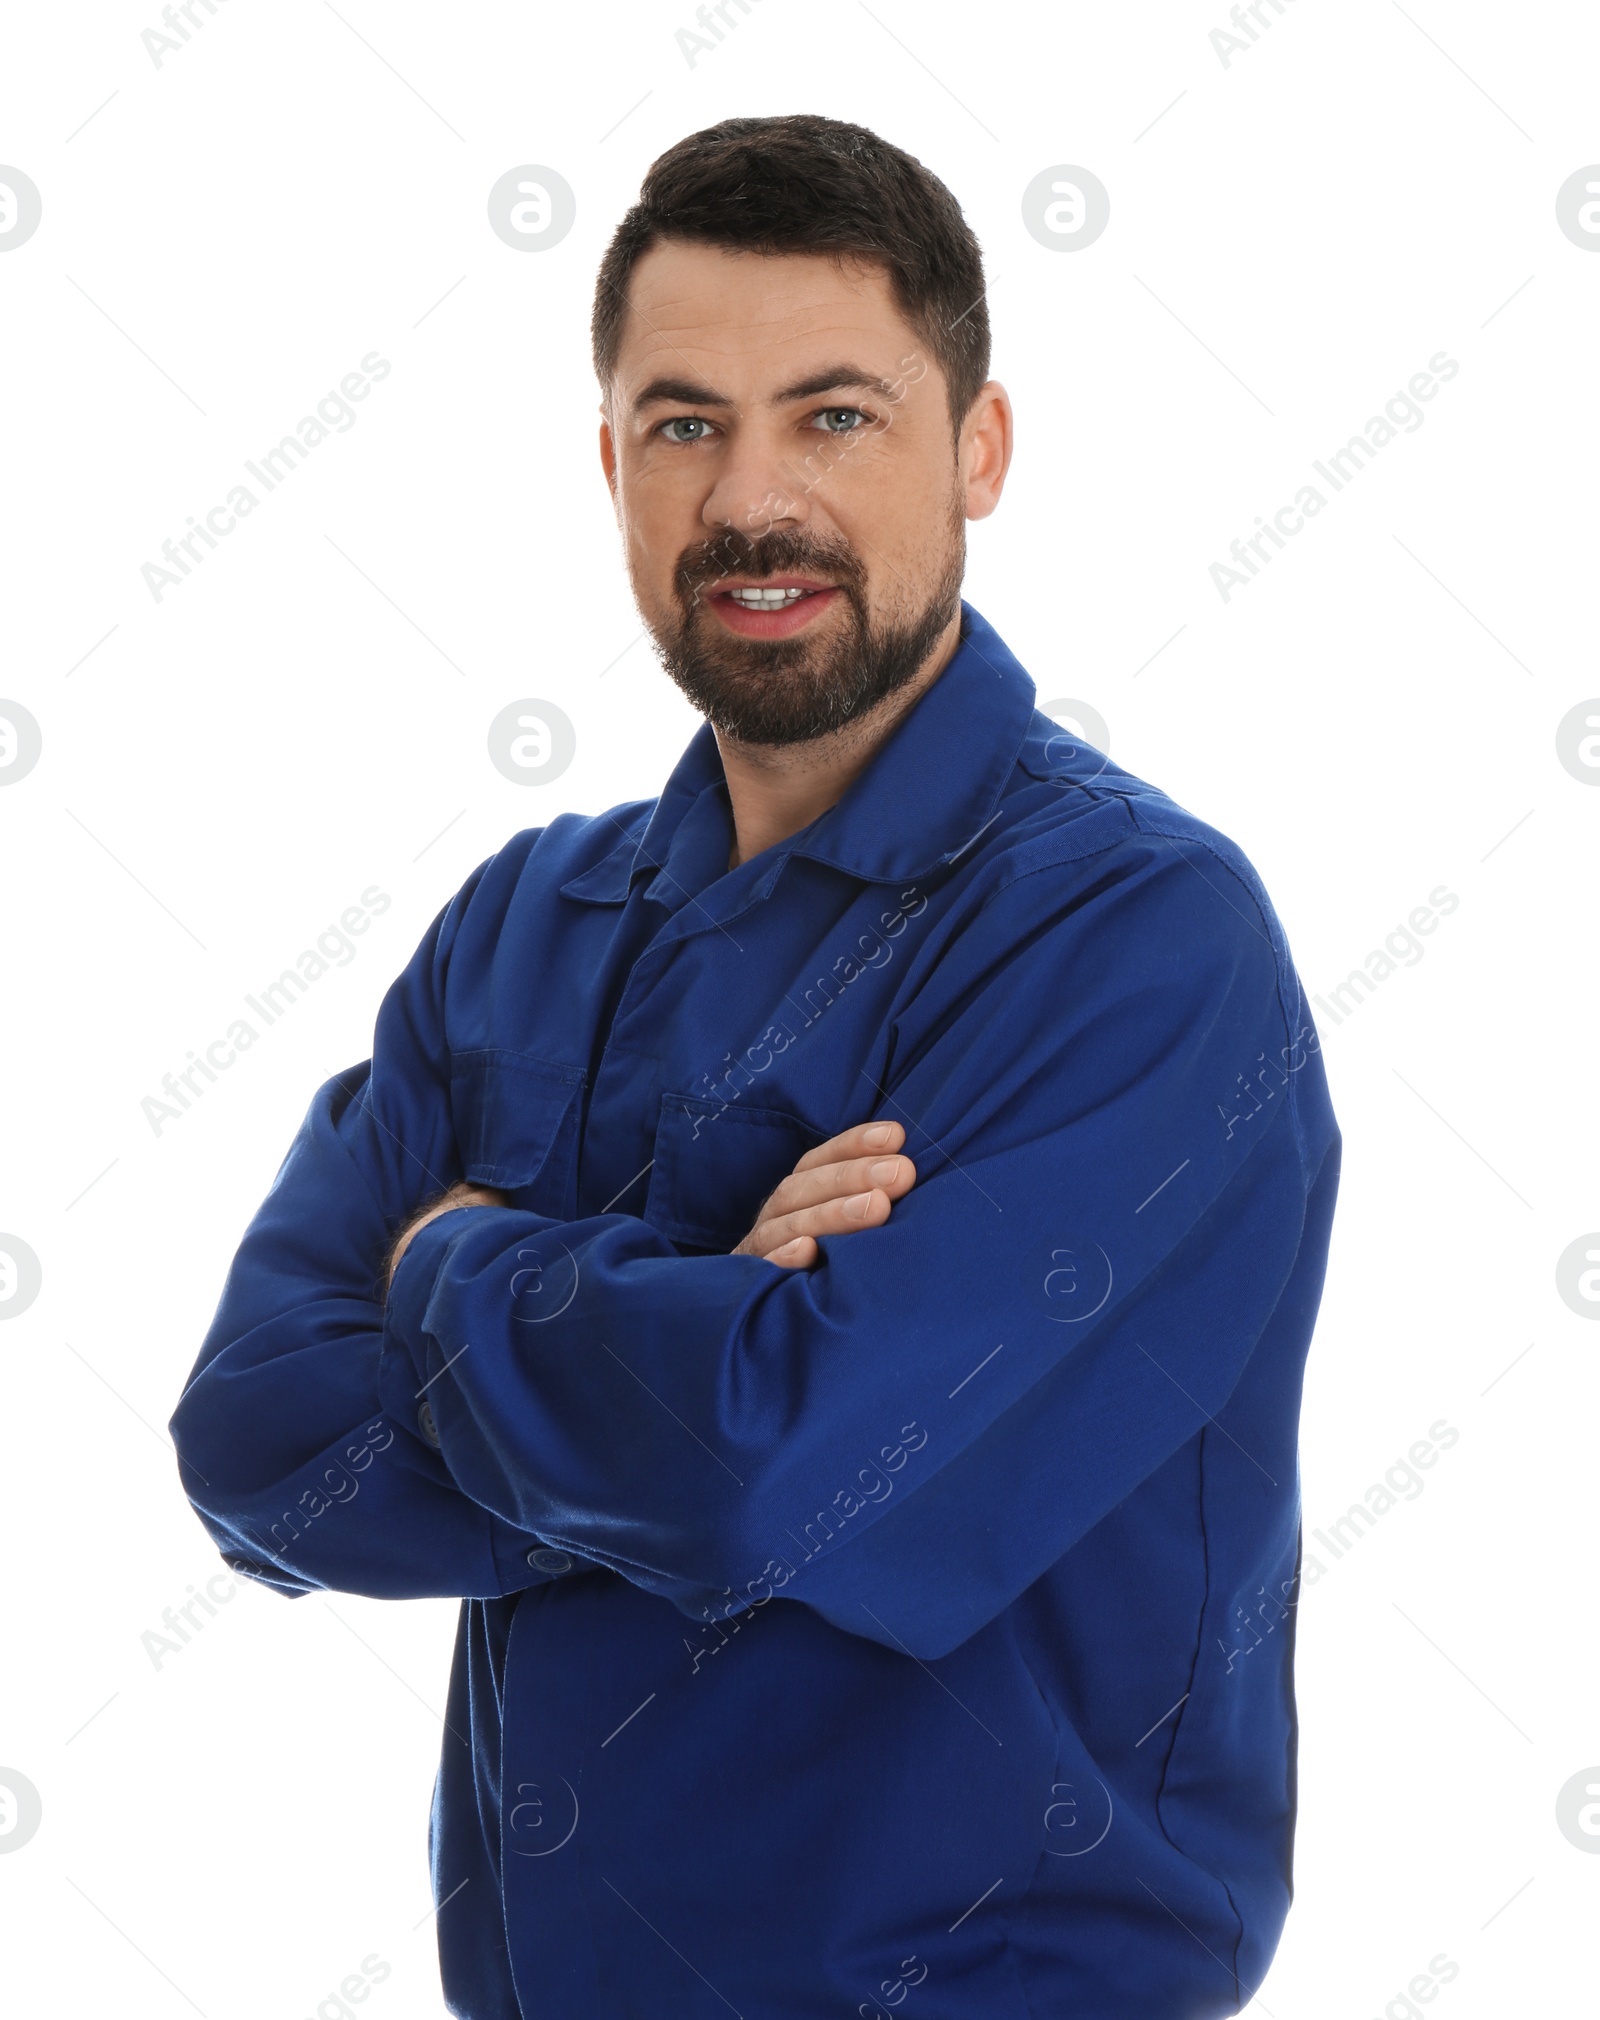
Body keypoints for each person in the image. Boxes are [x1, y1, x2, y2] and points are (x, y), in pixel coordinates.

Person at [170, 113, 1340, 2020]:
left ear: (981, 447)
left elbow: (767, 1478)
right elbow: (259, 1449)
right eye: (686, 422)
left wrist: (454, 1266)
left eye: (838, 416)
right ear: (613, 461)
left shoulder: (1135, 940)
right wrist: (703, 1319)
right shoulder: (522, 922)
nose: (753, 498)